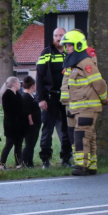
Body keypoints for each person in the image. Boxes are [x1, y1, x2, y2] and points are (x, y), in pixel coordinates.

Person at [60, 30, 108, 176]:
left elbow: (99, 83)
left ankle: (81, 165)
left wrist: (104, 99)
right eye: (66, 45)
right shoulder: (74, 63)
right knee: (88, 136)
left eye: (70, 45)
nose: (67, 48)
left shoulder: (86, 62)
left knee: (81, 135)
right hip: (78, 107)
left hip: (88, 106)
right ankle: (91, 165)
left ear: (78, 45)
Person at [35, 27, 73, 169]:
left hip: (66, 97)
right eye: (56, 35)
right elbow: (39, 77)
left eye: (61, 35)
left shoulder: (71, 53)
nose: (58, 38)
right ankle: (45, 160)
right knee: (47, 129)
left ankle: (66, 159)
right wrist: (41, 99)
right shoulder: (46, 53)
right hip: (50, 97)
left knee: (67, 128)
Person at [0, 76, 24, 170]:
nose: (20, 84)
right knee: (9, 144)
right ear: (14, 84)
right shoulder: (7, 95)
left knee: (18, 145)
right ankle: (2, 164)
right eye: (18, 82)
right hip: (11, 125)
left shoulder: (18, 94)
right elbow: (8, 111)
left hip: (19, 125)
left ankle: (19, 164)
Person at [21, 76, 41, 168]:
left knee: (32, 144)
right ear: (32, 85)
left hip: (36, 124)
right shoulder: (26, 97)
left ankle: (30, 162)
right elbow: (27, 111)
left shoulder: (32, 96)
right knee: (29, 144)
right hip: (31, 125)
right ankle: (24, 162)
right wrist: (31, 122)